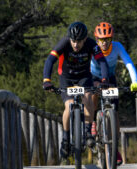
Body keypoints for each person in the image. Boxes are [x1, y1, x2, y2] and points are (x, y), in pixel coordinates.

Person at [42, 22, 109, 159]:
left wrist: (104, 80)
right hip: (66, 78)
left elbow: (102, 61)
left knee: (89, 97)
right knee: (69, 105)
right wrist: (46, 80)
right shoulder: (64, 43)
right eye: (73, 41)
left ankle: (88, 131)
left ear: (85, 39)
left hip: (84, 77)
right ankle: (66, 139)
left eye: (79, 41)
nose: (76, 45)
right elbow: (50, 60)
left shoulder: (91, 44)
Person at [90, 22, 137, 165]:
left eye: (107, 39)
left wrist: (134, 81)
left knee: (115, 111)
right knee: (93, 93)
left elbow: (128, 63)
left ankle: (114, 147)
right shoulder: (92, 47)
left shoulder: (117, 47)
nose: (104, 43)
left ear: (111, 39)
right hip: (93, 76)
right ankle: (94, 121)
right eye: (101, 39)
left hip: (110, 78)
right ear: (97, 39)